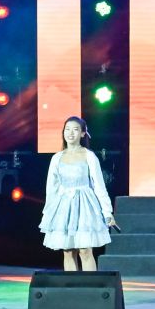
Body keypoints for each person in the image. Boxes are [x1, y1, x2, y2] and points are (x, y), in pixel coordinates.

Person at [39, 115, 115, 271]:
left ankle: (90, 285)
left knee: (85, 250)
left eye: (75, 129)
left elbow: (99, 186)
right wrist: (48, 212)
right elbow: (51, 189)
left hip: (85, 206)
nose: (70, 133)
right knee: (68, 251)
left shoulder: (89, 156)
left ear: (82, 133)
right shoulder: (57, 158)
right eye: (67, 129)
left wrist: (107, 212)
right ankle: (72, 284)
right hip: (64, 207)